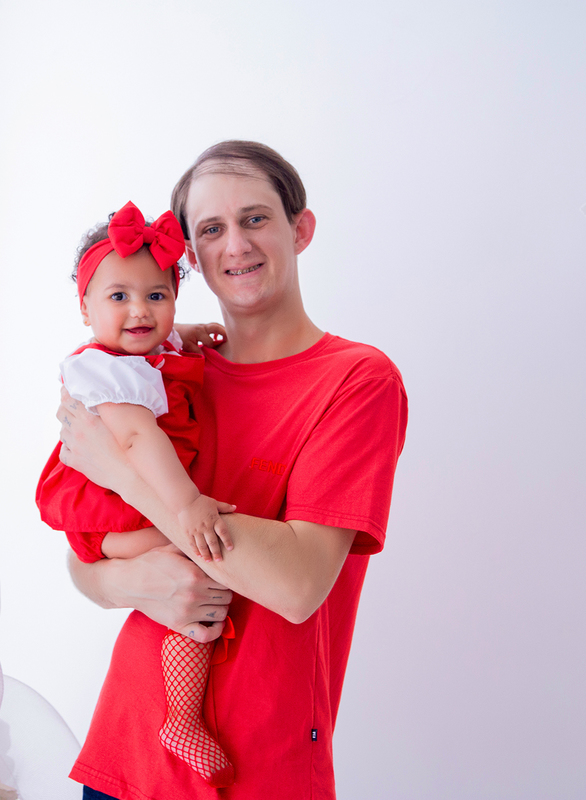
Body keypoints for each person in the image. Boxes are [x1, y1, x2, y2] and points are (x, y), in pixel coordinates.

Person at [57, 141, 409, 800]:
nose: (235, 245)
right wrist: (129, 582)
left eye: (255, 219)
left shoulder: (356, 381)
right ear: (188, 254)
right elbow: (83, 556)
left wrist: (131, 477)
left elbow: (297, 583)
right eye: (211, 229)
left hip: (255, 772)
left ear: (299, 229)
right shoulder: (154, 380)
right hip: (127, 754)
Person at [35, 201, 237, 787]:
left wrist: (188, 334)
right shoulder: (106, 373)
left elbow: (164, 342)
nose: (139, 311)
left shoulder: (144, 353)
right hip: (110, 518)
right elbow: (140, 438)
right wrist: (186, 505)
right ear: (84, 307)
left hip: (120, 510)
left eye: (157, 295)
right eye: (118, 297)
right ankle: (181, 716)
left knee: (200, 564)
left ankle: (183, 711)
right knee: (195, 561)